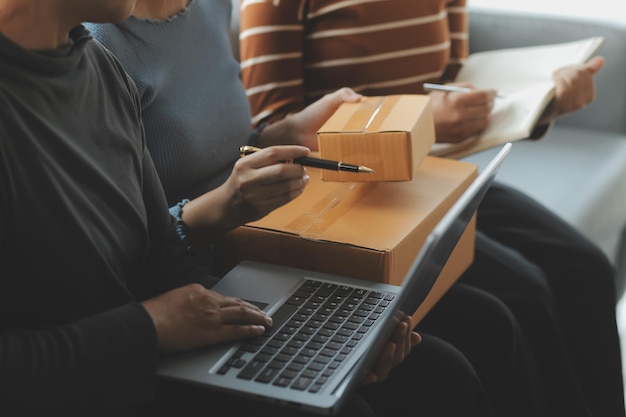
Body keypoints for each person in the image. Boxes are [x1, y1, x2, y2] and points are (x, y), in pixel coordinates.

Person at [0, 1, 504, 416]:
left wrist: (313, 341)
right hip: (96, 379)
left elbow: (160, 255)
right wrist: (148, 328)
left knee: (439, 372)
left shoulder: (97, 69)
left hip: (151, 343)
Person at [238, 1, 625, 417]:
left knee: (584, 266)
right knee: (522, 294)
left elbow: (453, 90)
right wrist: (422, 121)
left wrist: (539, 105)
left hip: (436, 177)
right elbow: (268, 136)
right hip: (352, 198)